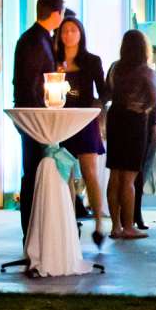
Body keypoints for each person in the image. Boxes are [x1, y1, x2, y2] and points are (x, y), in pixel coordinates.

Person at [11, 0, 68, 238]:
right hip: (35, 117)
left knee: (35, 169)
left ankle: (37, 228)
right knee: (34, 171)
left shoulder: (36, 38)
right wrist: (41, 114)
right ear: (56, 14)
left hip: (34, 114)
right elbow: (31, 82)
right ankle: (32, 229)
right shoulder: (36, 40)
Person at [55, 14, 111, 246]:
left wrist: (96, 107)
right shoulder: (53, 60)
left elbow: (105, 92)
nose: (68, 35)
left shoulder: (92, 60)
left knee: (90, 172)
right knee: (64, 171)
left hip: (85, 120)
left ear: (81, 34)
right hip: (62, 119)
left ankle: (99, 221)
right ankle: (70, 221)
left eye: (73, 31)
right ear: (59, 35)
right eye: (65, 31)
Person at [104, 29, 156, 240]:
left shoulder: (115, 68)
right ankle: (128, 226)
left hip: (115, 118)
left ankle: (115, 226)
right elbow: (153, 99)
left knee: (115, 175)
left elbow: (106, 92)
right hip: (135, 122)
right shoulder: (146, 72)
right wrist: (141, 108)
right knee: (129, 178)